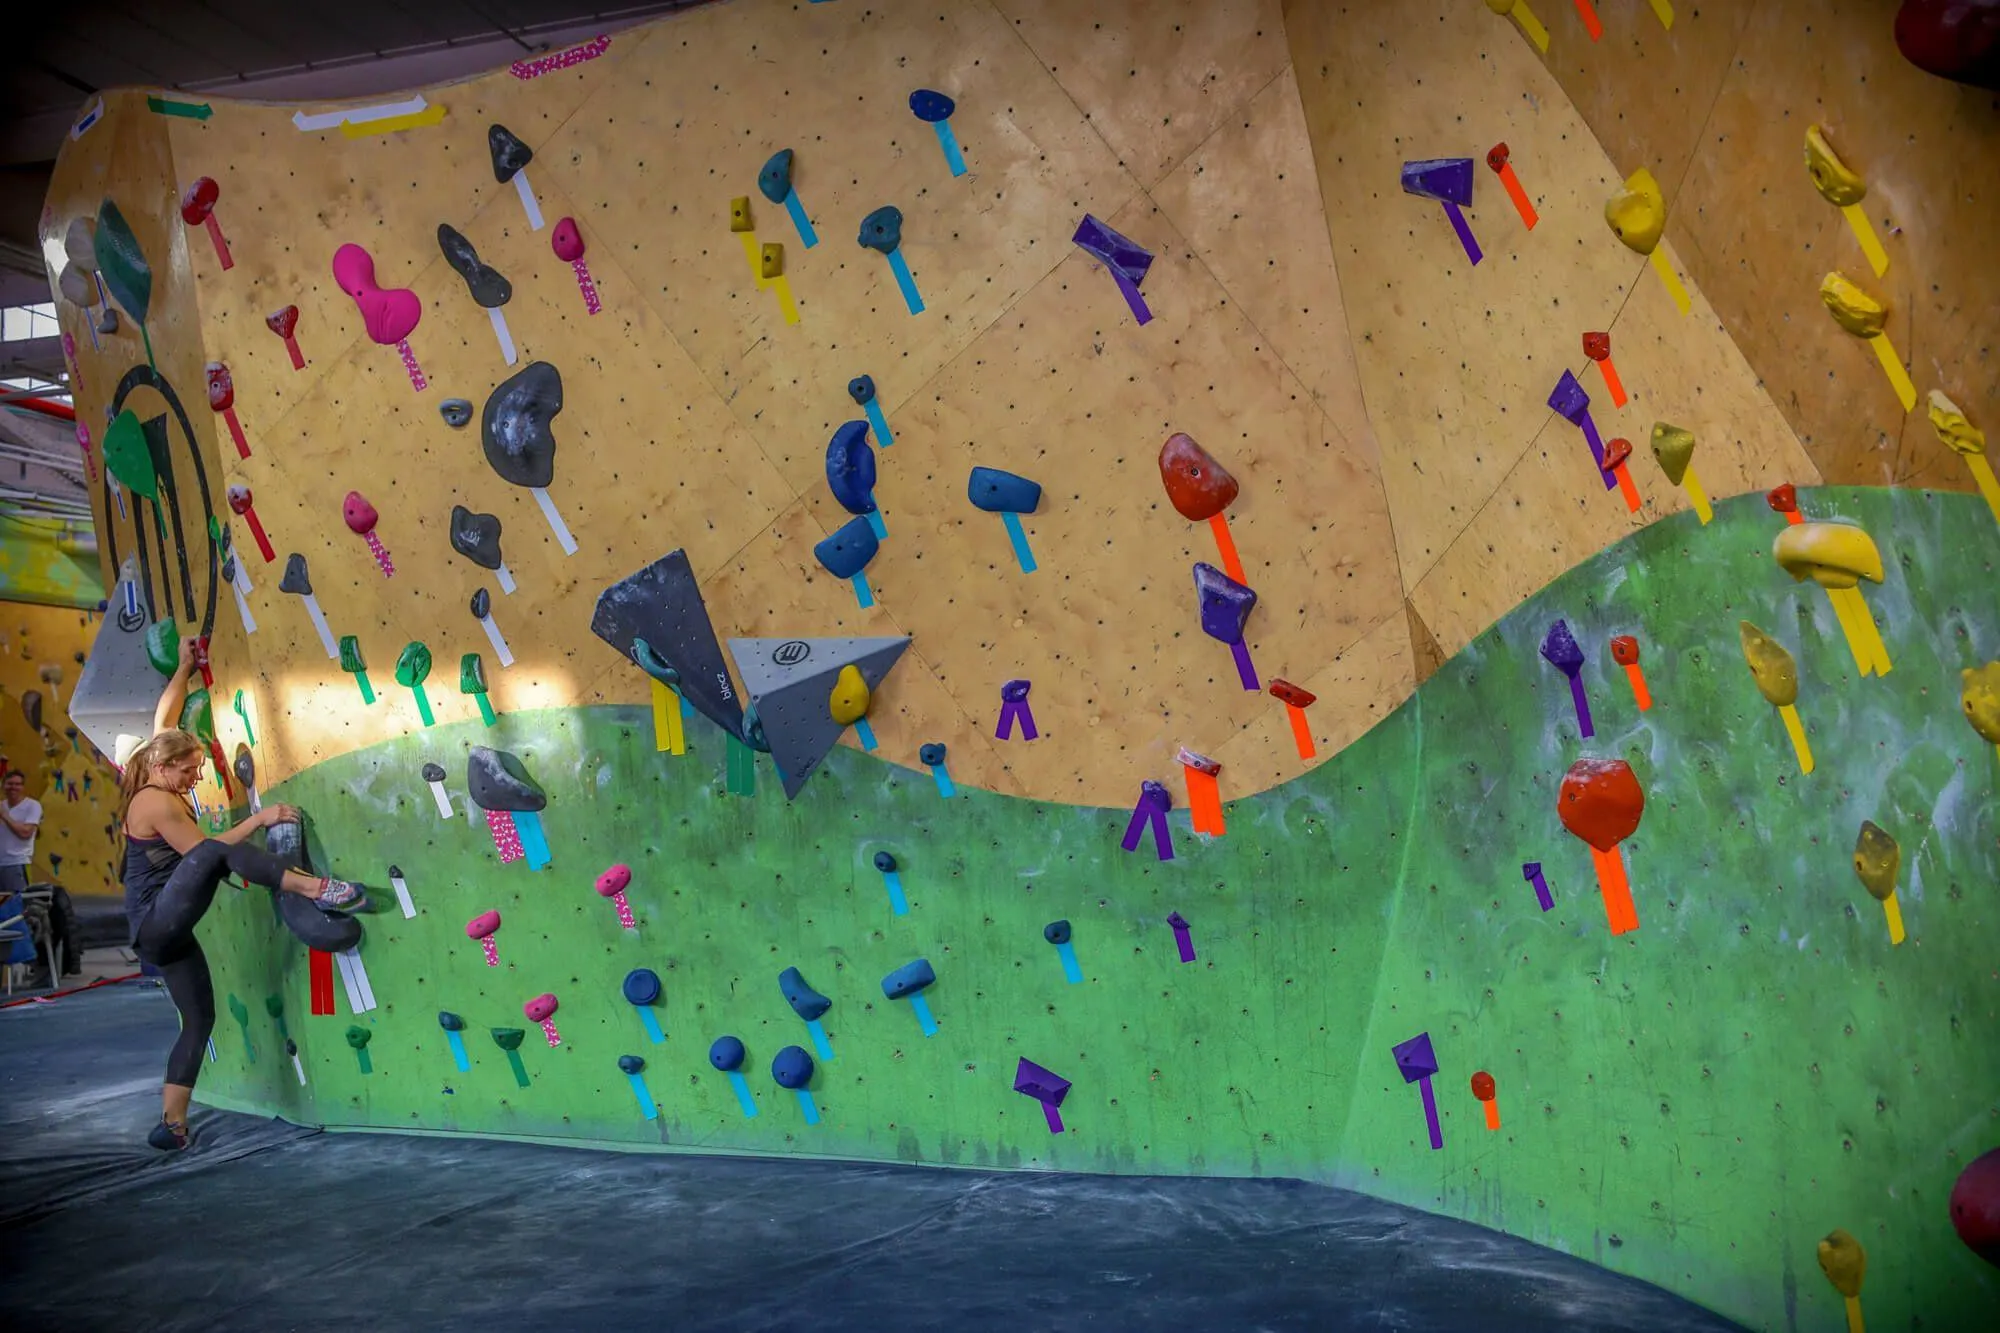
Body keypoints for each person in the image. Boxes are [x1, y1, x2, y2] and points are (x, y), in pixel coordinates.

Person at [123, 637, 367, 1151]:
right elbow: (201, 853)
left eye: (197, 770)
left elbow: (164, 718)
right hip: (155, 924)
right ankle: (319, 888)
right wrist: (259, 818)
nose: (195, 779)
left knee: (200, 1019)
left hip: (168, 931)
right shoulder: (153, 800)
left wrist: (187, 665)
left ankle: (172, 1125)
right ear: (164, 769)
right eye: (189, 771)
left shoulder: (154, 766)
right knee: (213, 853)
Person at [0, 768, 42, 902]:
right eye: (9, 784)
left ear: (23, 787)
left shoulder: (32, 806)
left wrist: (5, 816)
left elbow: (26, 833)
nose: (13, 787)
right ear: (4, 786)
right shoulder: (1, 805)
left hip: (16, 863)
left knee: (17, 904)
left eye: (17, 784)